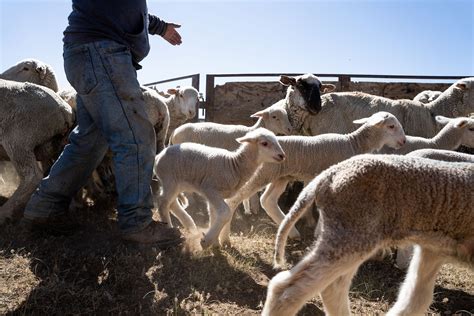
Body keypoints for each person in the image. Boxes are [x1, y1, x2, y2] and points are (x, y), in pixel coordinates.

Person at [22, 0, 183, 247]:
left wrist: (160, 28)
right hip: (102, 54)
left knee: (89, 141)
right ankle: (137, 223)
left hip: (92, 54)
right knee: (136, 137)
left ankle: (45, 208)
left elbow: (130, 11)